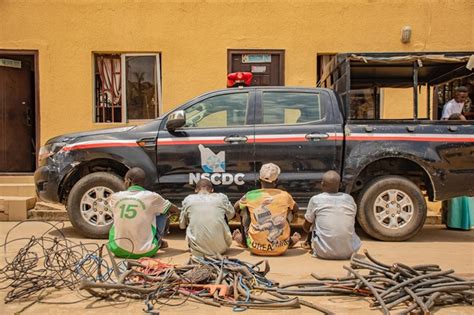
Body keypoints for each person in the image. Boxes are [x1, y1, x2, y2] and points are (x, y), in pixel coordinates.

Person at [108, 167, 178, 258]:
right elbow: (174, 209)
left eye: (124, 180)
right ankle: (158, 241)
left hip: (118, 250)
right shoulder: (152, 197)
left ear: (129, 180)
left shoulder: (115, 197)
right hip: (147, 251)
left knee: (117, 213)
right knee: (163, 211)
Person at [233, 163, 301, 256]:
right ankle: (287, 240)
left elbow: (236, 208)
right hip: (281, 249)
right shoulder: (285, 195)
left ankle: (245, 241)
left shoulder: (251, 195)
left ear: (259, 179)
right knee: (290, 210)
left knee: (243, 209)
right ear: (276, 181)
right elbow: (296, 209)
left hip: (254, 248)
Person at [303, 170, 361, 260]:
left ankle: (310, 244)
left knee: (314, 221)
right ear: (340, 185)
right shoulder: (349, 199)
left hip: (323, 252)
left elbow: (306, 227)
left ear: (322, 184)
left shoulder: (316, 200)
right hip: (349, 252)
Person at [179, 179, 235, 257]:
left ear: (196, 190)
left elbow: (182, 224)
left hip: (197, 251)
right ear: (212, 190)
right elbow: (231, 214)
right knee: (223, 215)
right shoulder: (221, 197)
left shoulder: (188, 199)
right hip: (220, 250)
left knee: (190, 218)